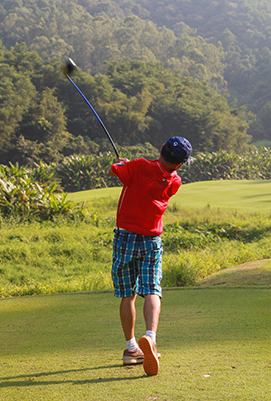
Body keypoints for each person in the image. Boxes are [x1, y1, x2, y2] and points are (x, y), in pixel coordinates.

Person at [109, 136, 192, 376]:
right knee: (152, 289)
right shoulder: (174, 180)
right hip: (151, 239)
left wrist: (123, 164)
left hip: (125, 236)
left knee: (128, 295)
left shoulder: (138, 165)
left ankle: (130, 348)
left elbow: (115, 170)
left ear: (161, 149)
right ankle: (151, 337)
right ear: (178, 164)